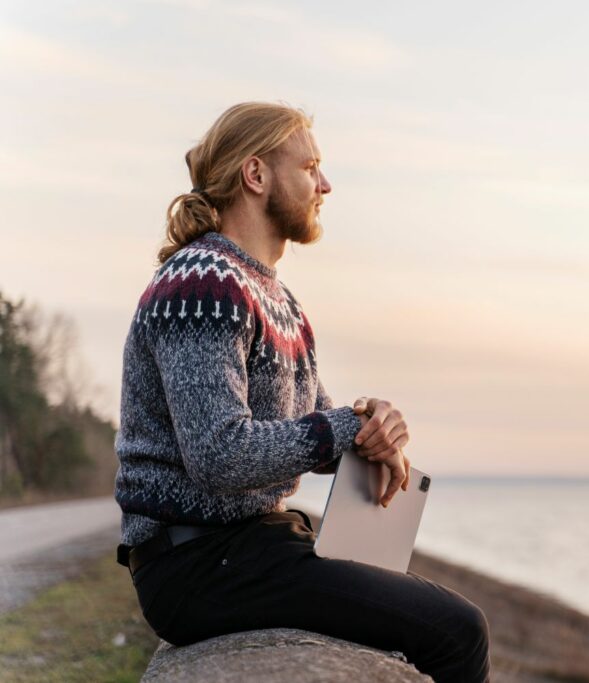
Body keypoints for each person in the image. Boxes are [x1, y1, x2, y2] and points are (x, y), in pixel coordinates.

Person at [113, 102, 490, 682]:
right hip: (197, 564)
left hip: (250, 545)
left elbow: (310, 427)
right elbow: (219, 452)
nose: (326, 185)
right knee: (458, 632)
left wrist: (372, 427)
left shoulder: (277, 298)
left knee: (429, 616)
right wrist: (342, 430)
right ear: (256, 175)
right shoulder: (203, 283)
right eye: (311, 167)